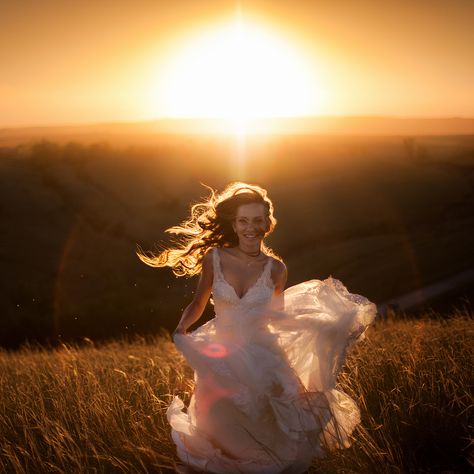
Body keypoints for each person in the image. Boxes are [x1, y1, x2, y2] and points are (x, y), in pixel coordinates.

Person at [137, 182, 376, 474]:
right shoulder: (215, 257)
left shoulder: (276, 269)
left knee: (270, 422)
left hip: (265, 355)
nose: (250, 227)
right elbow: (199, 302)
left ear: (267, 224)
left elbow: (276, 316)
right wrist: (181, 329)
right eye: (243, 221)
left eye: (257, 220)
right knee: (219, 419)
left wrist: (322, 323)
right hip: (223, 352)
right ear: (234, 225)